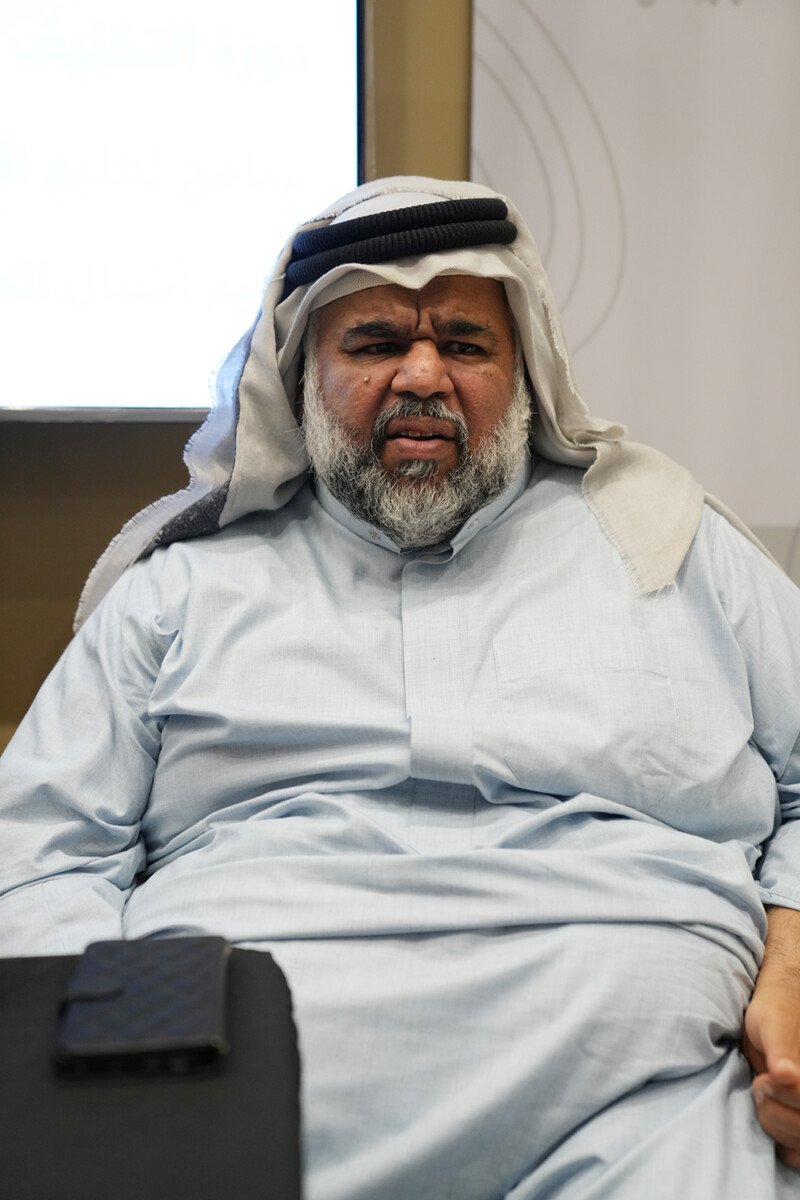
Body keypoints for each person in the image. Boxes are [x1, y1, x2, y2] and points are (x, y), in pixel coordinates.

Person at [2, 177, 800, 1199]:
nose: (423, 375)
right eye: (376, 342)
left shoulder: (672, 544)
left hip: (652, 1092)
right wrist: (110, 1064)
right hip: (236, 1090)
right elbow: (40, 852)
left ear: (524, 372)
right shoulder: (181, 588)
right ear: (302, 374)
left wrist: (791, 959)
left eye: (465, 344)